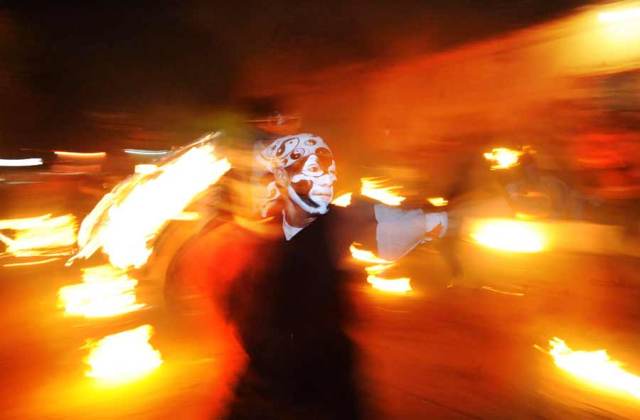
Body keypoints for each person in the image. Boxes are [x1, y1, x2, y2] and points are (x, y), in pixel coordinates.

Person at [166, 133, 447, 419]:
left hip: (329, 398)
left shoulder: (325, 225)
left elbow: (375, 220)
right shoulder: (219, 249)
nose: (272, 185)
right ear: (235, 183)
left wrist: (438, 222)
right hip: (261, 402)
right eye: (257, 175)